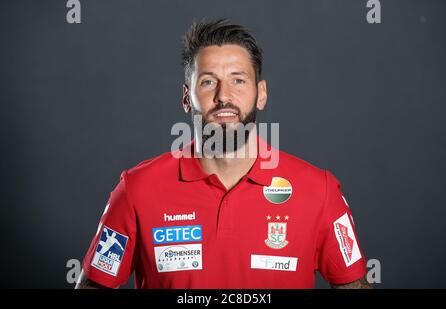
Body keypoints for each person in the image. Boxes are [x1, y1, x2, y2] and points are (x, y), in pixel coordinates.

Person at [76, 19, 371, 289]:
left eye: (238, 80)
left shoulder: (320, 191)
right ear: (186, 98)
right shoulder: (136, 190)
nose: (224, 96)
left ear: (262, 93)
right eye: (208, 82)